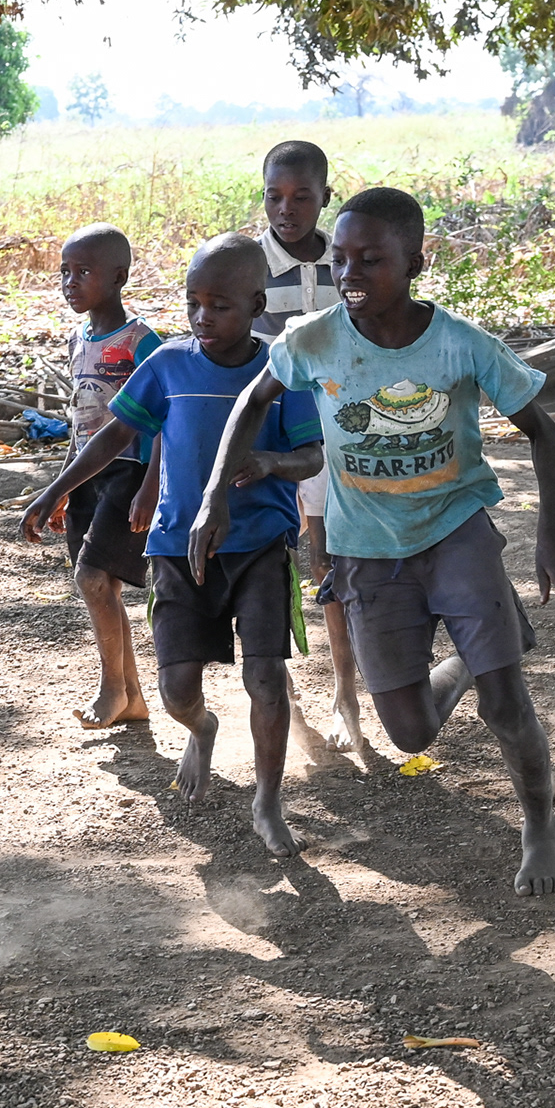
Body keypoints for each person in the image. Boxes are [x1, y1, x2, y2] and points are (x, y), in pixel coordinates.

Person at [190, 188, 555, 897]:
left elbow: (544, 430)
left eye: (370, 260)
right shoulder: (312, 340)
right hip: (366, 550)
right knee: (409, 734)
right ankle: (470, 656)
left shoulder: (461, 344)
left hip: (455, 528)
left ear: (415, 262)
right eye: (340, 259)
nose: (350, 275)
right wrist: (214, 495)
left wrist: (552, 531)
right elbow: (251, 405)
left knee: (504, 704)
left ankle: (539, 828)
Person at [22, 234, 324, 857]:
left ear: (256, 303)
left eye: (220, 305)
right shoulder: (166, 366)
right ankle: (203, 730)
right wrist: (53, 490)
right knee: (175, 692)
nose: (202, 318)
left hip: (260, 546)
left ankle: (267, 801)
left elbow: (312, 454)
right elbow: (113, 437)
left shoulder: (282, 370)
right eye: (193, 303)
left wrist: (269, 461)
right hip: (176, 549)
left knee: (265, 678)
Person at [253, 139, 362, 752]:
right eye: (275, 196)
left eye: (301, 197)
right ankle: (288, 708)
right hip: (272, 433)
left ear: (325, 196)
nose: (286, 209)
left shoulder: (343, 257)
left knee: (328, 563)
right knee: (270, 568)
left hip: (338, 430)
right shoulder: (249, 263)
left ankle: (347, 698)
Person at [54, 223, 163, 730]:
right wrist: (63, 486)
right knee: (101, 587)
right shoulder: (78, 338)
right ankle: (132, 698)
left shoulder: (142, 341)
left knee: (92, 576)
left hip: (129, 469)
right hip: (87, 474)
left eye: (83, 273)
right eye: (65, 272)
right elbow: (80, 421)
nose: (70, 282)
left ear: (119, 277)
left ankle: (112, 686)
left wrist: (151, 484)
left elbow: (165, 416)